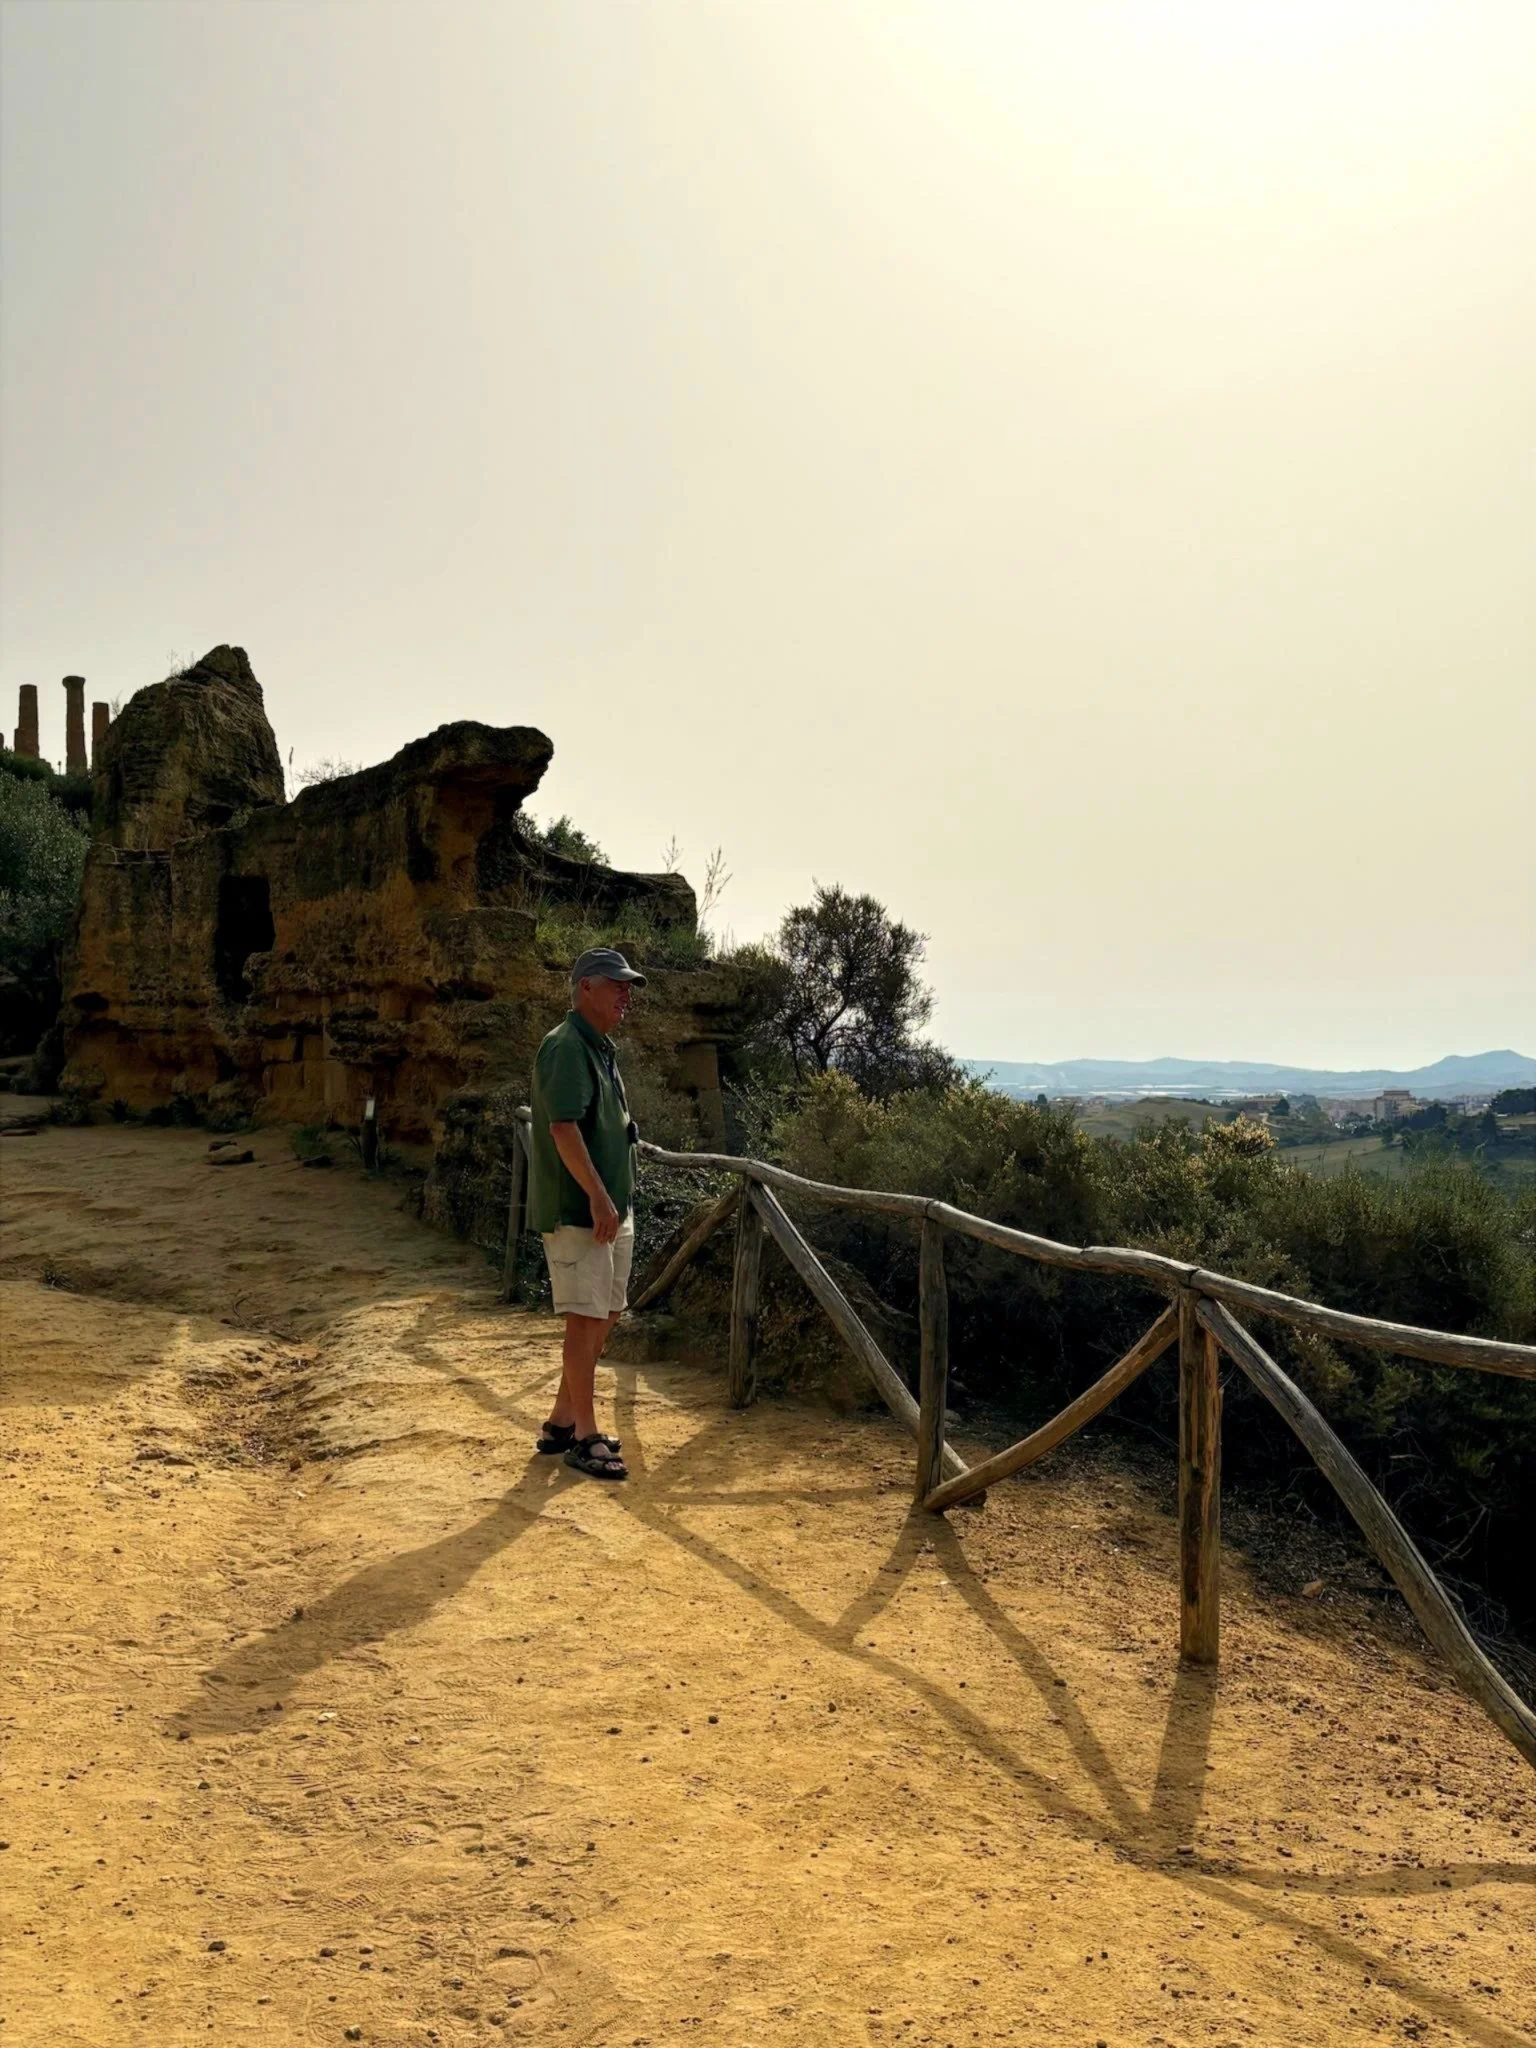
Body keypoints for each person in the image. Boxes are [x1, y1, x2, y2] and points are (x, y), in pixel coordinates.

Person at [527, 946, 646, 1480]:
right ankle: (585, 1436)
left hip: (609, 1209)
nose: (626, 994)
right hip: (580, 1210)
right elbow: (563, 1128)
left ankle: (562, 1420)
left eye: (628, 986)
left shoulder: (599, 1047)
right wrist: (598, 1196)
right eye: (616, 984)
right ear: (585, 989)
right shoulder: (566, 1046)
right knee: (586, 1318)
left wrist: (613, 1198)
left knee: (607, 1312)